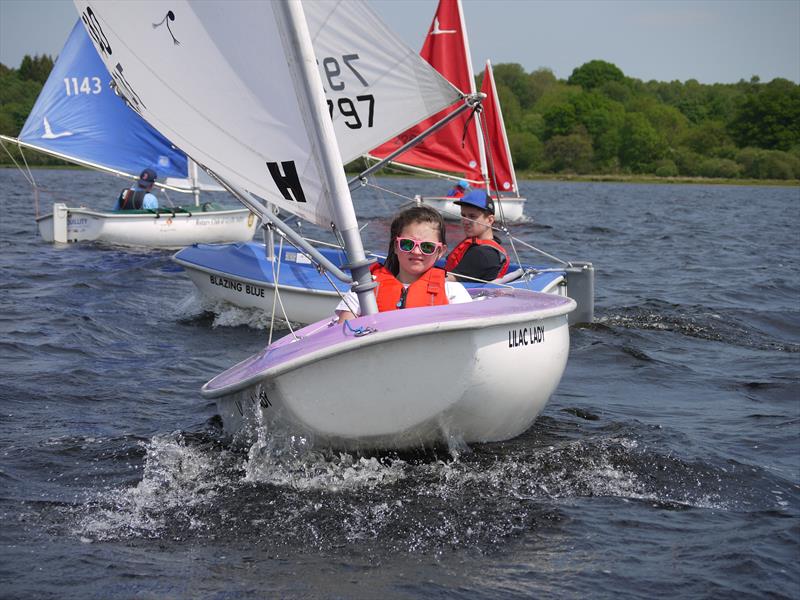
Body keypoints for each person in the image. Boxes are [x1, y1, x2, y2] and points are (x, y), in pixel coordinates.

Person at [336, 205, 471, 321]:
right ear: (396, 246)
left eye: (427, 247)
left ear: (440, 251)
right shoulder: (364, 290)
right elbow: (344, 332)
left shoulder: (453, 292)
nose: (417, 252)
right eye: (407, 244)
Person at [445, 189, 509, 282]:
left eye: (472, 216)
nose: (465, 221)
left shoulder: (482, 254)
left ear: (490, 220)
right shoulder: (483, 245)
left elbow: (447, 280)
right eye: (463, 215)